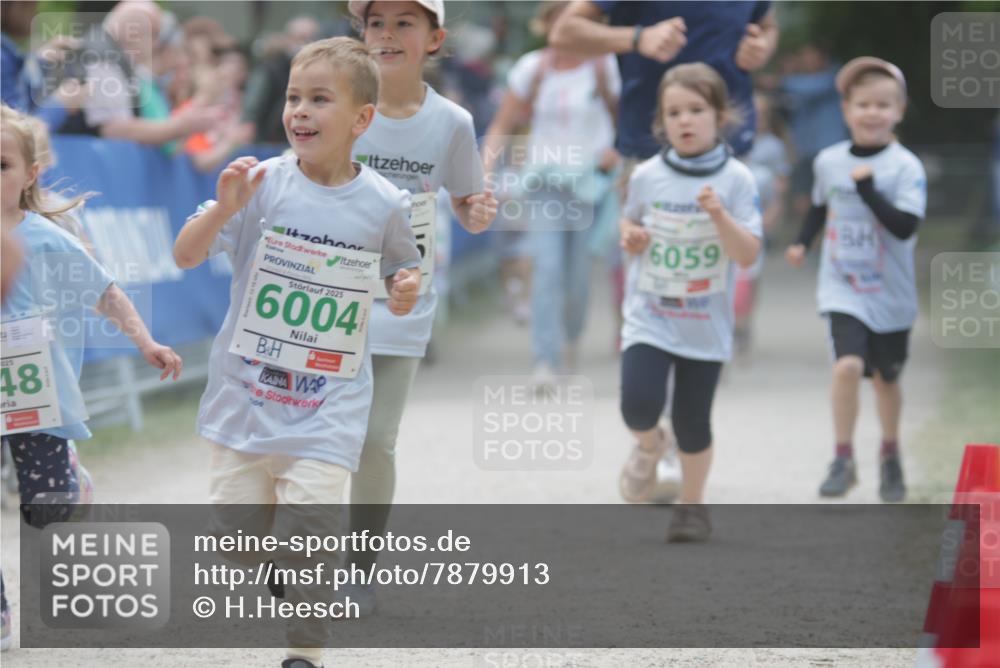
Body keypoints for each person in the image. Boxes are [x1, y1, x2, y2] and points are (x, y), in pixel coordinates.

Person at [173, 37, 421, 668]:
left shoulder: (386, 203)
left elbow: (402, 271)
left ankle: (304, 650)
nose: (299, 111)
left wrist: (404, 287)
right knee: (238, 540)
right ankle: (281, 578)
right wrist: (222, 210)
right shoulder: (260, 184)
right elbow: (185, 254)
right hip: (248, 397)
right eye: (292, 97)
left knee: (310, 529)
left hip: (327, 403)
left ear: (362, 118)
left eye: (319, 99)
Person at [0, 103, 182, 652]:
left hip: (37, 394)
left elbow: (104, 291)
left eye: (0, 165)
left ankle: (72, 483)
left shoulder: (45, 238)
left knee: (46, 508)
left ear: (30, 174)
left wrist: (145, 340)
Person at [343, 0, 497, 614]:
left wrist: (475, 212)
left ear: (434, 39)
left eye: (404, 23)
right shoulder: (336, 100)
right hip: (327, 292)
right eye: (376, 22)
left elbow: (466, 199)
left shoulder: (453, 121)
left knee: (377, 440)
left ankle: (360, 568)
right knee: (312, 432)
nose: (386, 34)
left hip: (401, 300)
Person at [617, 64, 762, 541]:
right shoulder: (648, 175)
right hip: (651, 315)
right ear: (661, 121)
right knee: (638, 405)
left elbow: (748, 253)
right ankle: (650, 445)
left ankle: (693, 508)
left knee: (693, 421)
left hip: (705, 321)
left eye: (696, 110)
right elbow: (628, 224)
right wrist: (632, 237)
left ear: (720, 115)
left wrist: (719, 215)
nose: (685, 121)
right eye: (674, 112)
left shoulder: (737, 179)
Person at [785, 57, 925, 503]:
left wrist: (867, 190)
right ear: (846, 110)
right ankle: (842, 458)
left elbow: (904, 226)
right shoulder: (830, 161)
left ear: (899, 111)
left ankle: (890, 453)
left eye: (883, 105)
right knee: (846, 366)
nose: (872, 113)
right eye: (862, 104)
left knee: (885, 379)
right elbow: (820, 208)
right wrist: (802, 243)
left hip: (891, 293)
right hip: (842, 285)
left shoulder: (906, 167)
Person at [482, 0, 620, 388]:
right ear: (549, 25)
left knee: (577, 279)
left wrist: (618, 150)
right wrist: (485, 173)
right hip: (543, 183)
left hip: (590, 186)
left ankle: (570, 342)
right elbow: (501, 125)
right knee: (546, 269)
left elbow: (627, 119)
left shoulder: (605, 67)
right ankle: (544, 359)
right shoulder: (532, 68)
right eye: (562, 22)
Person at [732, 91, 790, 356]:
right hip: (732, 220)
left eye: (761, 114)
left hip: (757, 219)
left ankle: (744, 321)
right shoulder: (729, 143)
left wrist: (772, 214)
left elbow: (779, 185)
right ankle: (732, 320)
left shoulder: (772, 147)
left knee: (751, 274)